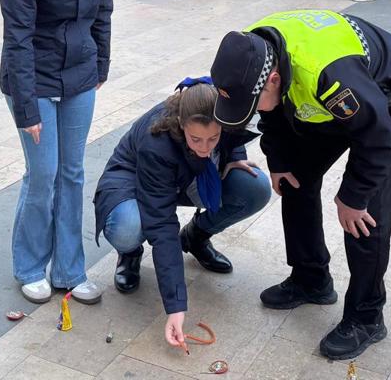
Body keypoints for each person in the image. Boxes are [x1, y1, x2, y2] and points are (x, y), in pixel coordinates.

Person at [209, 10, 391, 361]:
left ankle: (367, 316)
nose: (250, 113)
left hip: (383, 92)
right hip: (318, 97)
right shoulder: (252, 50)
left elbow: (379, 139)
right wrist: (280, 162)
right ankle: (311, 279)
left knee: (365, 215)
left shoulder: (329, 76)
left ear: (273, 80)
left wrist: (354, 196)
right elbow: (272, 112)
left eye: (249, 106)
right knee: (295, 181)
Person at [0, 0, 114, 306]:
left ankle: (70, 268)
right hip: (34, 78)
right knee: (43, 174)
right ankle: (29, 265)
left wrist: (101, 62)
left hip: (80, 74)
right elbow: (18, 40)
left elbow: (104, 8)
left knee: (73, 172)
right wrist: (26, 108)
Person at [94, 79, 270, 349]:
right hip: (133, 179)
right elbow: (162, 223)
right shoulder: (157, 143)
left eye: (213, 138)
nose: (205, 147)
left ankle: (196, 237)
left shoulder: (220, 105)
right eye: (196, 138)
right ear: (181, 124)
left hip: (185, 174)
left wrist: (234, 154)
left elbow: (237, 128)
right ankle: (129, 252)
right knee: (129, 226)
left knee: (255, 186)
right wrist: (176, 307)